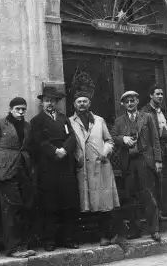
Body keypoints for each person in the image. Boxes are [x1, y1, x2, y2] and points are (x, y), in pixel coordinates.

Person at [0, 97, 37, 258]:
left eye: (23, 109)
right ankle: (13, 248)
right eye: (18, 109)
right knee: (11, 210)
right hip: (7, 174)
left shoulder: (27, 126)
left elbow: (30, 148)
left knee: (25, 207)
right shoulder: (0, 125)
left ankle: (23, 245)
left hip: (24, 172)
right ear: (11, 109)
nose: (21, 112)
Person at [30, 87, 81, 251]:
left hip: (65, 165)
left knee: (69, 203)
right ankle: (49, 241)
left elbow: (72, 137)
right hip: (48, 167)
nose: (50, 103)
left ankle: (68, 239)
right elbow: (38, 141)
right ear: (42, 102)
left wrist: (65, 149)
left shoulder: (64, 119)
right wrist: (54, 151)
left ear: (56, 102)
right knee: (49, 205)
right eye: (47, 100)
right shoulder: (36, 121)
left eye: (53, 100)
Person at [68, 92, 121, 246]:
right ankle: (85, 237)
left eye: (85, 101)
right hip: (83, 167)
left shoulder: (99, 120)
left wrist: (104, 153)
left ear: (89, 104)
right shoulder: (70, 122)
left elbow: (109, 140)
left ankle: (106, 235)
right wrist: (76, 157)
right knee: (87, 203)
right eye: (79, 102)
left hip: (100, 165)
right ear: (74, 105)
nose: (82, 104)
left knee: (104, 203)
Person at [112, 91, 163, 242]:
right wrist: (123, 139)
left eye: (132, 100)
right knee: (131, 197)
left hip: (144, 161)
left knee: (148, 195)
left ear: (137, 101)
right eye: (127, 101)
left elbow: (155, 140)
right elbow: (113, 137)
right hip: (128, 162)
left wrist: (158, 160)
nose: (130, 103)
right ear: (123, 104)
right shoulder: (119, 121)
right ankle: (135, 230)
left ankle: (154, 230)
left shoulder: (147, 117)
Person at [140, 84, 167, 219]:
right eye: (157, 94)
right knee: (155, 181)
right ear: (151, 95)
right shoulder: (145, 112)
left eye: (162, 94)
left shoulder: (162, 110)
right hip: (154, 149)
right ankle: (156, 213)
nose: (160, 96)